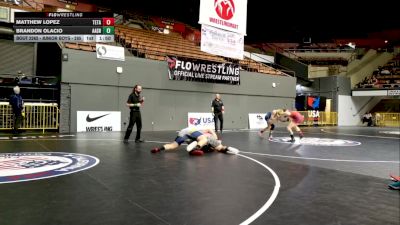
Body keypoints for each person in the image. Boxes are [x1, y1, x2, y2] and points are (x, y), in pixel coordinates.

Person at [151, 127, 239, 156]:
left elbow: (220, 148)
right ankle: (195, 148)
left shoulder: (214, 143)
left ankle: (158, 149)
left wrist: (228, 149)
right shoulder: (213, 140)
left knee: (173, 145)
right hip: (192, 131)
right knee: (203, 139)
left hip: (185, 133)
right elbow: (220, 148)